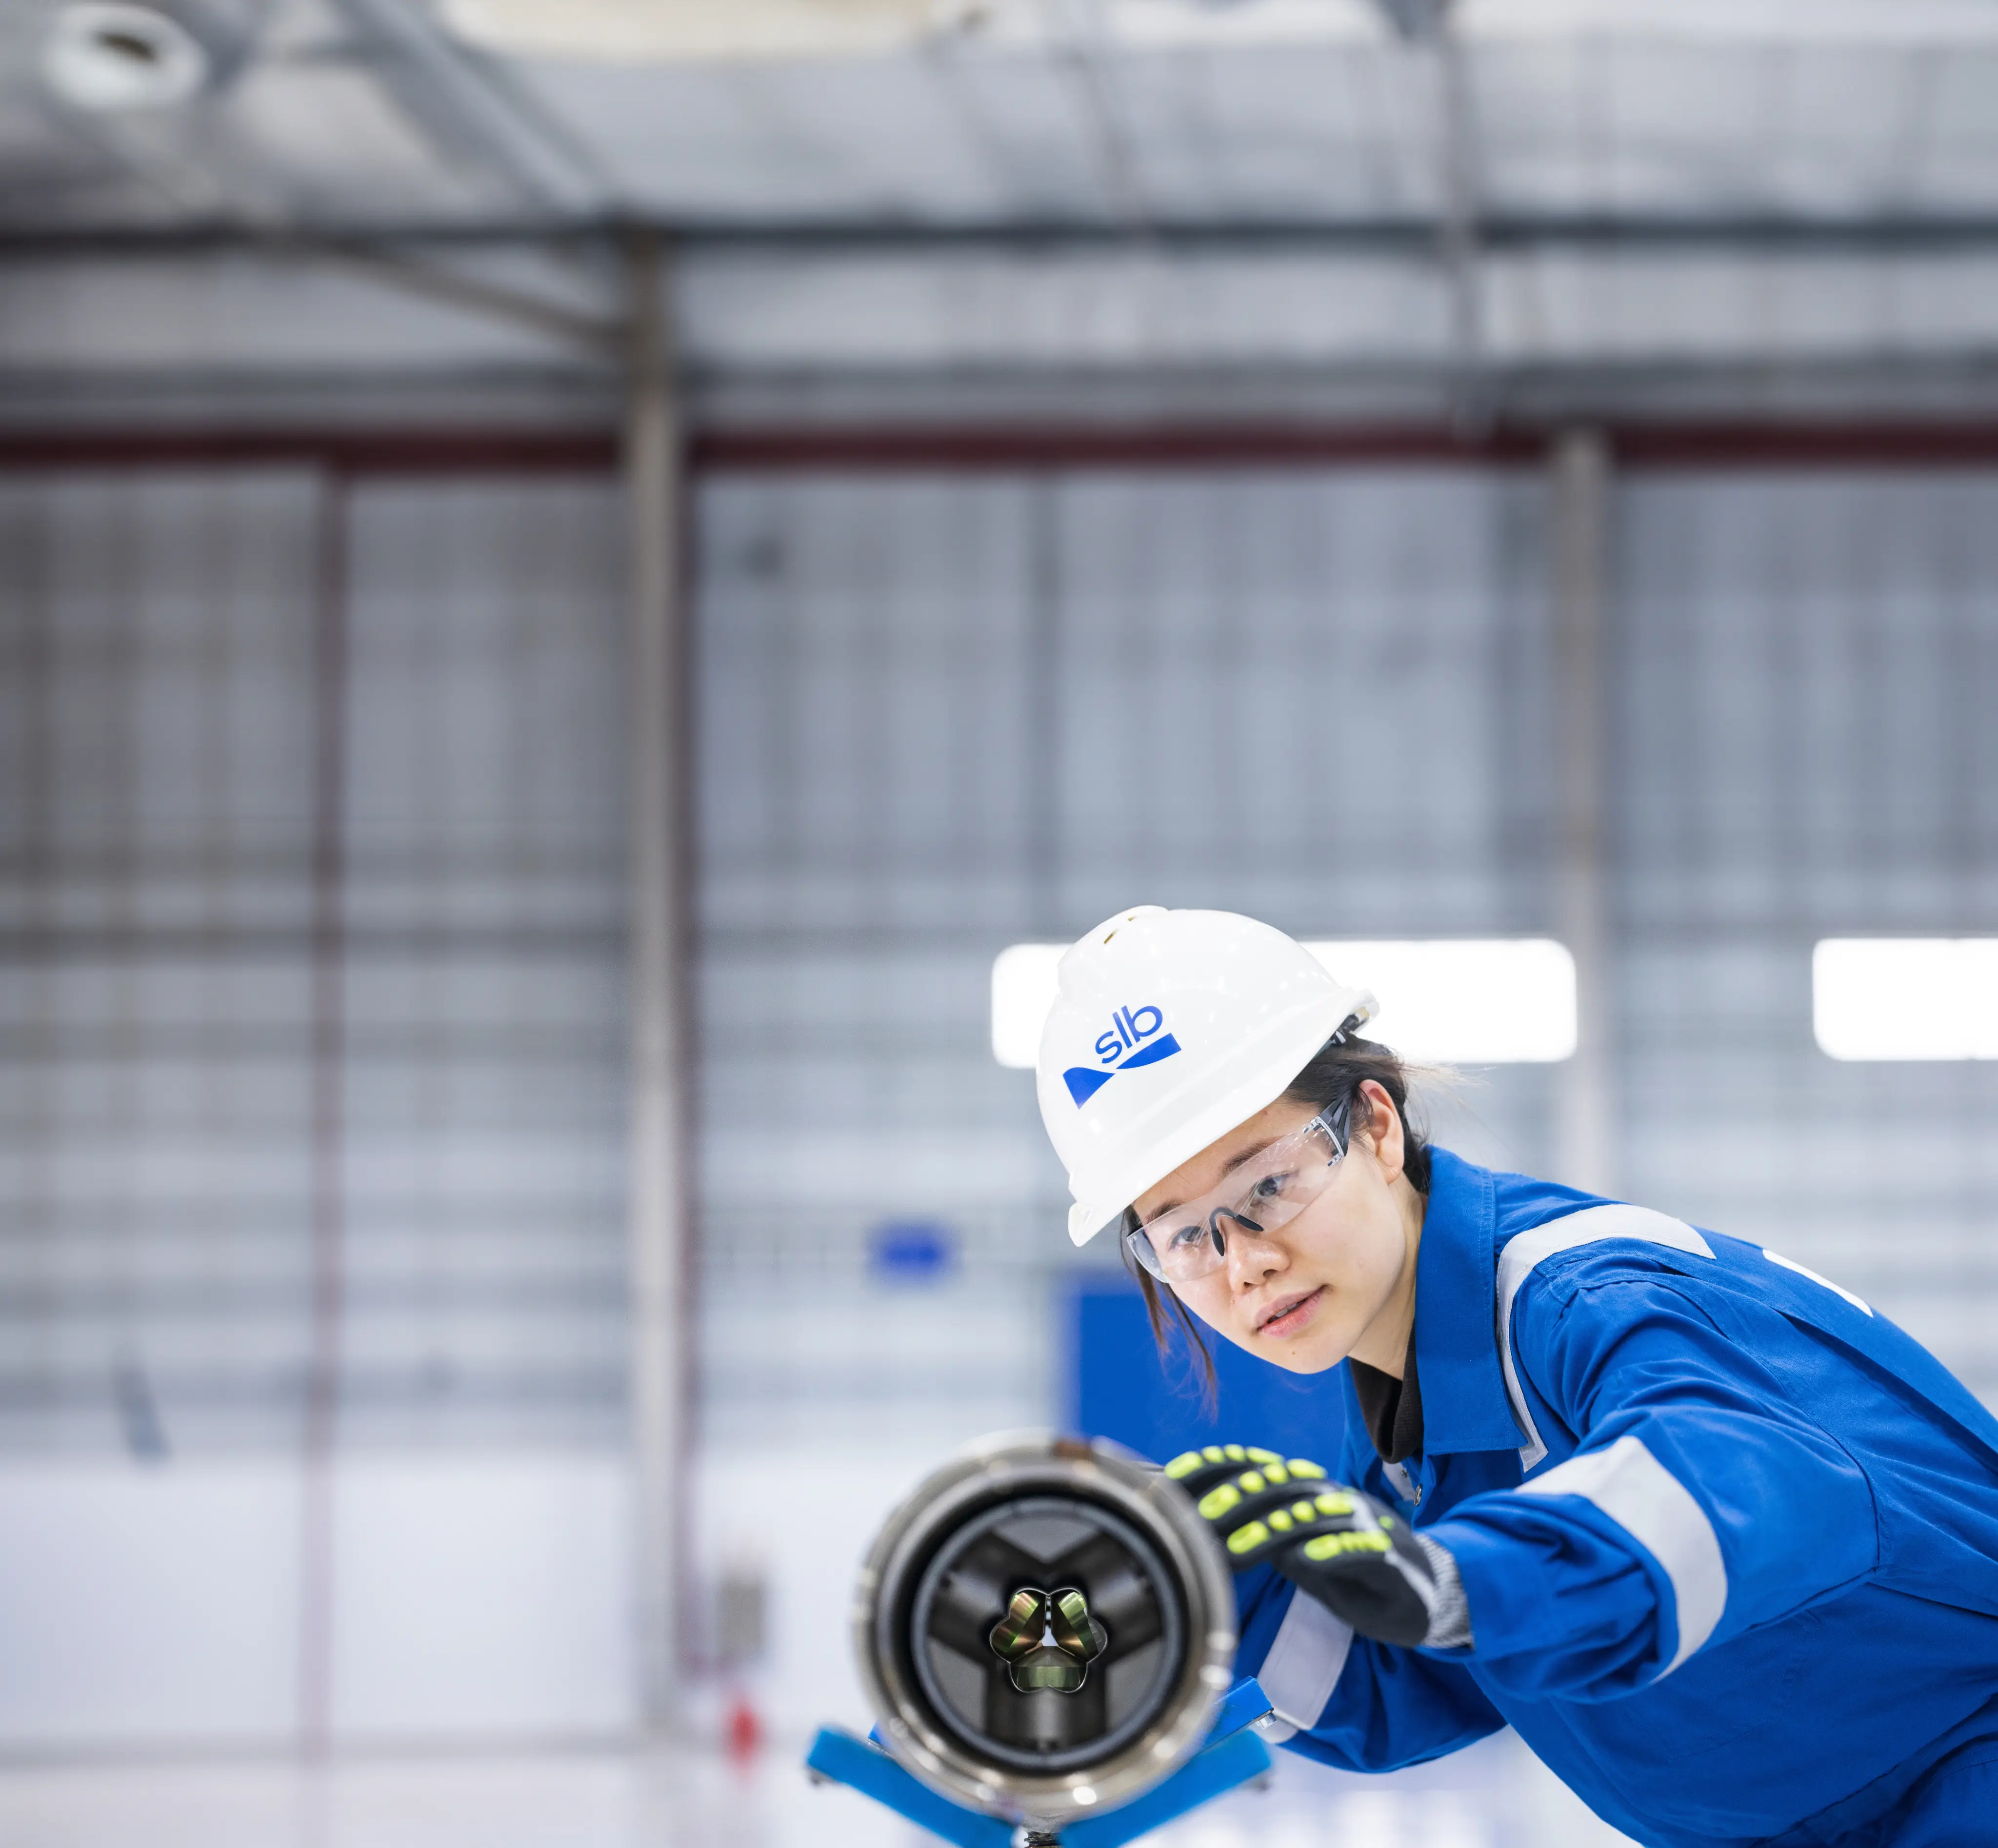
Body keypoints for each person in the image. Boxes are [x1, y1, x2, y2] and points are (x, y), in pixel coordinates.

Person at [1035, 906, 1998, 1848]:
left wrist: (1454, 1575)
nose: (1243, 1263)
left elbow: (1724, 1476)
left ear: (1374, 1125)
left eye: (1267, 1186)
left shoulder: (1584, 1298)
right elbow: (1420, 1676)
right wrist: (1184, 1610)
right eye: (1182, 1235)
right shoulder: (1413, 1431)